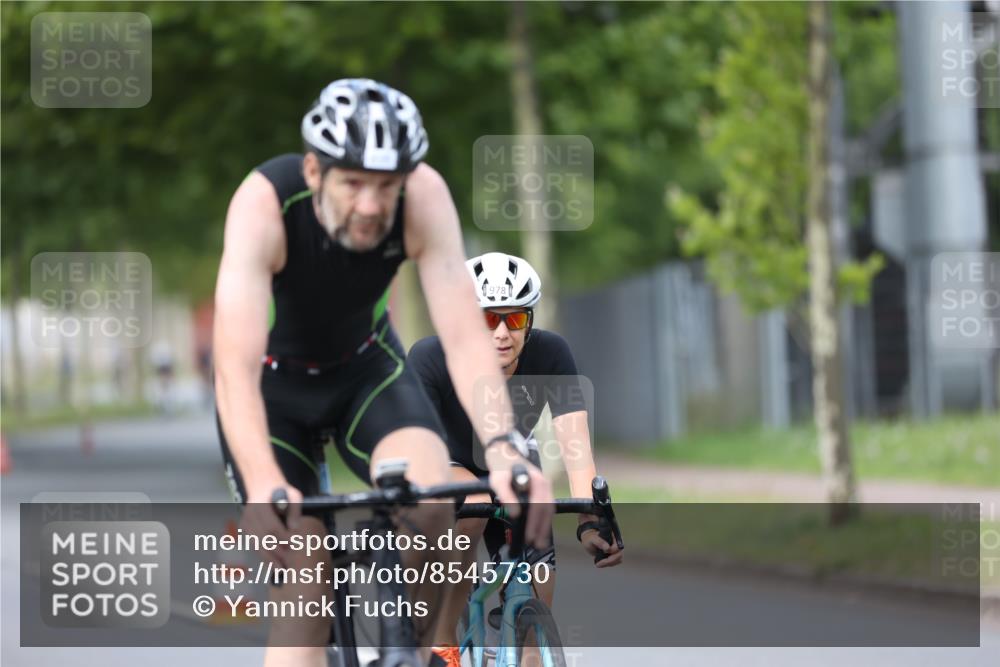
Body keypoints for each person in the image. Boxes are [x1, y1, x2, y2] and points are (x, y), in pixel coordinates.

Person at [212, 79, 554, 667]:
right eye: (352, 183)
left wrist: (503, 446)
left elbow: (463, 335)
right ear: (315, 171)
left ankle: (411, 652)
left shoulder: (425, 197)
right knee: (306, 579)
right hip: (272, 391)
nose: (371, 205)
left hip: (364, 373)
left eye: (387, 186)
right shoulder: (264, 205)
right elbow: (233, 366)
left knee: (435, 509)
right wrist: (265, 484)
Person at [408, 252, 624, 666]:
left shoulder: (551, 353)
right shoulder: (431, 356)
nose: (502, 333)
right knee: (472, 505)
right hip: (449, 463)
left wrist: (590, 519)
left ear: (530, 320)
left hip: (516, 466)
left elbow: (575, 445)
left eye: (515, 319)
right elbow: (421, 450)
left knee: (534, 625)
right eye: (488, 319)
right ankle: (443, 643)